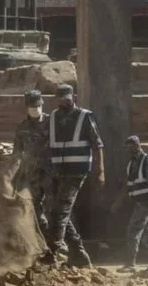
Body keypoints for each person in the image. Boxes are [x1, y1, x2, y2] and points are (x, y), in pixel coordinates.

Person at [41, 83, 102, 268]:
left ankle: (52, 252)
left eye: (66, 99)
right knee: (57, 212)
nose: (63, 102)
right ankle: (79, 254)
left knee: (60, 211)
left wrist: (100, 172)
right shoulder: (52, 118)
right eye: (60, 99)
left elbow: (98, 145)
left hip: (77, 172)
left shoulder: (85, 116)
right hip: (57, 172)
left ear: (74, 97)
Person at [9, 89, 51, 241]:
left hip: (52, 174)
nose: (36, 109)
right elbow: (17, 154)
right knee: (36, 210)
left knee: (57, 210)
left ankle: (60, 244)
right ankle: (45, 243)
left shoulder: (52, 122)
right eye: (32, 106)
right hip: (32, 175)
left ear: (42, 104)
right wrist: (13, 176)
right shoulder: (22, 127)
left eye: (38, 106)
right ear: (27, 107)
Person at [124, 134, 148, 274]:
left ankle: (130, 263)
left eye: (129, 147)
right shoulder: (132, 163)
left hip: (146, 202)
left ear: (136, 145)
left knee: (133, 230)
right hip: (140, 202)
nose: (127, 150)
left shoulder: (147, 161)